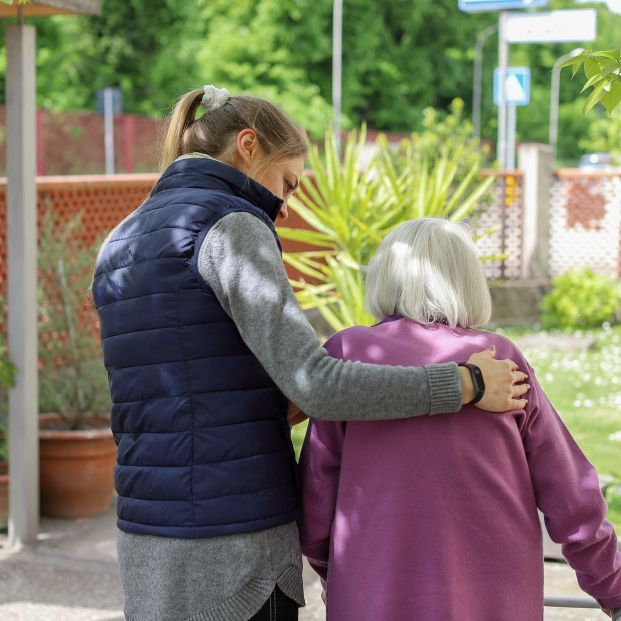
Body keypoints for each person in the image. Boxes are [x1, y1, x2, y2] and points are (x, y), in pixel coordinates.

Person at [91, 86, 527, 621]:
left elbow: (177, 391)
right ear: (247, 147)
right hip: (238, 548)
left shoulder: (120, 242)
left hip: (145, 534)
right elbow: (314, 382)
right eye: (286, 183)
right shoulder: (232, 227)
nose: (286, 206)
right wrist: (465, 384)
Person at [298, 218, 621, 621]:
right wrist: (612, 587)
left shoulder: (347, 353)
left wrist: (337, 574)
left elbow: (315, 499)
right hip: (495, 602)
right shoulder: (499, 361)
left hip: (374, 598)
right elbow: (572, 497)